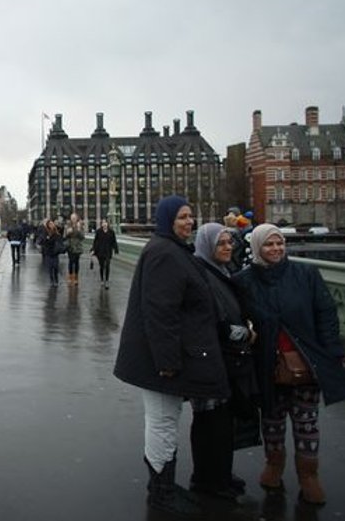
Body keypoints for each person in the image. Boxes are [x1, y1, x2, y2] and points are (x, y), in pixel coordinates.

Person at [113, 196, 229, 517]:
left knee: (164, 420)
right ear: (166, 220)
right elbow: (160, 313)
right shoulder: (165, 254)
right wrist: (166, 362)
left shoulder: (171, 249)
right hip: (160, 363)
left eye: (191, 216)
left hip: (166, 358)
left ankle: (162, 487)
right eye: (182, 217)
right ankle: (161, 494)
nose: (189, 222)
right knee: (163, 422)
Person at [234, 224, 345, 506]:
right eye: (269, 245)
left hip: (306, 361)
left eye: (280, 243)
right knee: (272, 420)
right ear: (257, 248)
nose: (276, 249)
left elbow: (325, 314)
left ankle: (308, 476)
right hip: (269, 364)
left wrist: (334, 351)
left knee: (307, 422)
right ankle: (274, 466)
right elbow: (238, 319)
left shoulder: (306, 274)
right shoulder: (244, 281)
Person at [189, 223, 261, 501]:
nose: (229, 247)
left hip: (227, 359)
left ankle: (220, 474)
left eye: (230, 242)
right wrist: (244, 333)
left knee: (223, 422)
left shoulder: (222, 271)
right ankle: (207, 480)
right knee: (210, 422)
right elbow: (209, 320)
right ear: (207, 246)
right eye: (221, 243)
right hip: (210, 360)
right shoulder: (202, 274)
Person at [90, 219, 119, 289]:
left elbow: (114, 241)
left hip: (108, 251)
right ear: (101, 224)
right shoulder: (98, 232)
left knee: (108, 265)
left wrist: (116, 249)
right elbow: (95, 242)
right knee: (102, 266)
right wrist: (93, 250)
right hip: (100, 252)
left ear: (107, 224)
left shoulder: (111, 232)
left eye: (105, 222)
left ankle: (107, 281)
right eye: (103, 223)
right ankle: (102, 279)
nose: (104, 224)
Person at [40, 219, 62, 287]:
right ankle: (51, 280)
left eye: (52, 224)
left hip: (55, 252)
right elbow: (43, 241)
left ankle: (56, 279)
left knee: (55, 267)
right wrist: (47, 238)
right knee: (50, 267)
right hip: (48, 252)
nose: (51, 225)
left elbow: (59, 240)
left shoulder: (56, 233)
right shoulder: (45, 232)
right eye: (49, 224)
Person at [64, 213, 85, 285]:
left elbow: (82, 237)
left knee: (76, 262)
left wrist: (79, 230)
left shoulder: (80, 226)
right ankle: (70, 277)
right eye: (72, 218)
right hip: (70, 246)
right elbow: (65, 236)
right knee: (70, 261)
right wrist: (68, 233)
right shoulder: (67, 226)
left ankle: (76, 278)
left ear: (76, 218)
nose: (73, 219)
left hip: (77, 247)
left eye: (74, 218)